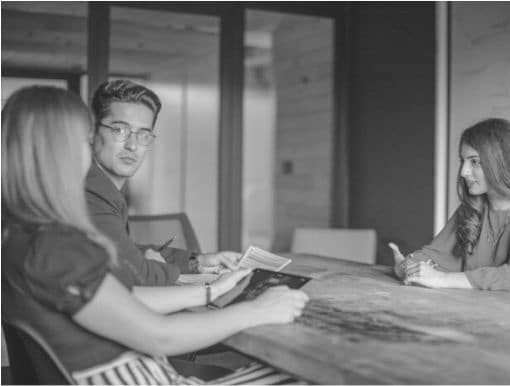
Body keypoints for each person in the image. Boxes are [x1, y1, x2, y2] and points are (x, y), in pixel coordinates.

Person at [2, 86, 309, 384]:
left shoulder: (20, 236)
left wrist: (210, 291)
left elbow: (121, 299)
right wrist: (257, 310)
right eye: (84, 139)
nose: (89, 149)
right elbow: (159, 336)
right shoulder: (56, 246)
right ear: (60, 152)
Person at [389, 118, 510, 294]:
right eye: (463, 161)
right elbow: (434, 256)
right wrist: (406, 266)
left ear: (501, 161)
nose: (463, 172)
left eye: (474, 161)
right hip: (485, 315)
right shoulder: (472, 209)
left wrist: (442, 279)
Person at [87, 79, 237, 285]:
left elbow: (124, 252)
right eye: (120, 130)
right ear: (92, 132)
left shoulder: (103, 187)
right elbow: (137, 274)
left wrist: (197, 262)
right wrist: (162, 269)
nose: (132, 145)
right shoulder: (91, 192)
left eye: (143, 134)